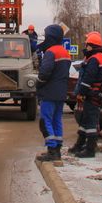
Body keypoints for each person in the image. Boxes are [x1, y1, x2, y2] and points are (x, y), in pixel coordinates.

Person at [69, 31, 102, 158]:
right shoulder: (99, 58)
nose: (85, 48)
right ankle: (80, 145)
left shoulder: (94, 60)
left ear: (92, 46)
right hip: (94, 93)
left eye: (87, 45)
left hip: (91, 94)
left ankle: (90, 149)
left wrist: (80, 93)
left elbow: (87, 79)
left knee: (90, 122)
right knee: (85, 121)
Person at [36, 24, 71, 162]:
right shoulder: (64, 52)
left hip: (49, 93)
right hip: (61, 93)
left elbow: (45, 73)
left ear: (50, 37)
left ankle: (51, 149)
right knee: (57, 120)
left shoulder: (51, 52)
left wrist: (38, 83)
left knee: (45, 121)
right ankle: (57, 150)